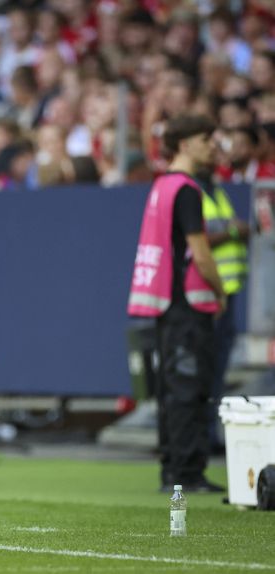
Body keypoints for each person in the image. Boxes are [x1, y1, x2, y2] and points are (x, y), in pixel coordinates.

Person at [127, 114, 226, 494]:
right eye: (206, 139)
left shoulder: (162, 185)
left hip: (166, 302)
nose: (211, 147)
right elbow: (200, 253)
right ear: (185, 144)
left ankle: (173, 469)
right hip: (188, 302)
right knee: (188, 387)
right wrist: (218, 291)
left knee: (172, 388)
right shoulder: (186, 189)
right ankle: (187, 473)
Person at [195, 163, 250, 452]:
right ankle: (199, 437)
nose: (212, 153)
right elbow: (197, 242)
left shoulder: (215, 191)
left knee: (216, 370)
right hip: (209, 295)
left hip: (226, 293)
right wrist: (232, 231)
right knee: (204, 369)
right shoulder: (193, 192)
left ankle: (209, 434)